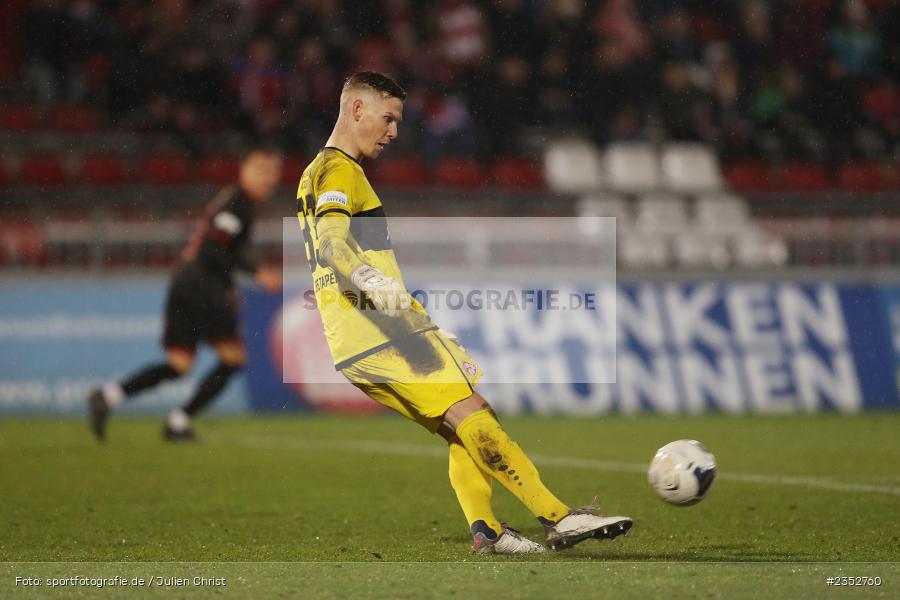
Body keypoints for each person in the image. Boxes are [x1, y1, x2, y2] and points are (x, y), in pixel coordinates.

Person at [295, 72, 632, 554]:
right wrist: (371, 282)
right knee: (473, 413)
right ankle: (558, 517)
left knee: (461, 425)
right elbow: (331, 244)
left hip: (350, 344)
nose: (393, 132)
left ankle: (487, 533)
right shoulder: (342, 170)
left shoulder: (313, 171)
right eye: (388, 119)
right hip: (385, 329)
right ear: (356, 111)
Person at [88, 148, 283, 441]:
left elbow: (217, 249)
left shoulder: (236, 201)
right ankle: (178, 423)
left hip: (185, 280)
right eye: (261, 170)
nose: (268, 179)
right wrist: (257, 273)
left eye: (272, 172)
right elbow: (215, 250)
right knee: (233, 360)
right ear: (243, 170)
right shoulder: (237, 204)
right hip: (202, 285)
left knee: (179, 364)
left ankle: (109, 396)